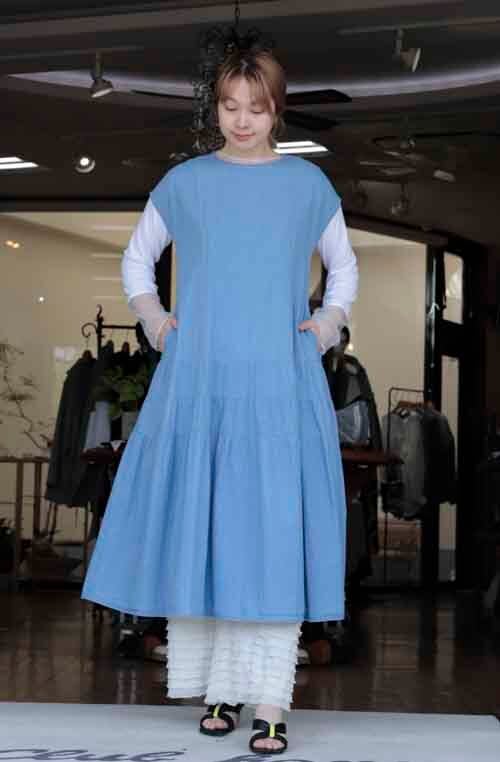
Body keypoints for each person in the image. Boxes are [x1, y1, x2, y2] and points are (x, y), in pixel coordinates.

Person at [81, 46, 358, 754]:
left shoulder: (306, 184)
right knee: (202, 529)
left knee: (272, 530)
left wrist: (328, 322)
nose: (242, 120)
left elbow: (344, 265)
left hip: (278, 383)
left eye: (256, 108)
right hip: (199, 383)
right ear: (216, 109)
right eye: (230, 107)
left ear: (276, 110)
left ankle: (271, 700)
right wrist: (155, 321)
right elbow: (137, 259)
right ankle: (218, 690)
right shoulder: (187, 182)